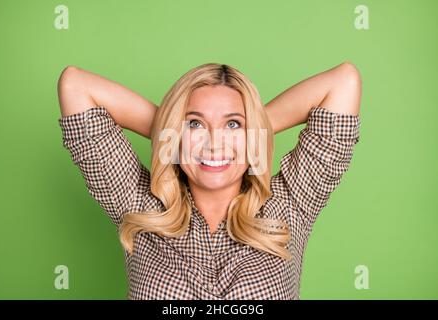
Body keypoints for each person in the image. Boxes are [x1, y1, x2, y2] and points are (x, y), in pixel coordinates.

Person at [57, 62, 361, 299]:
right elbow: (76, 85)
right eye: (195, 123)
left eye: (233, 124)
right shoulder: (137, 204)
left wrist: (253, 132)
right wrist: (172, 134)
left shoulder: (289, 205)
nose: (214, 143)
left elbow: (343, 82)